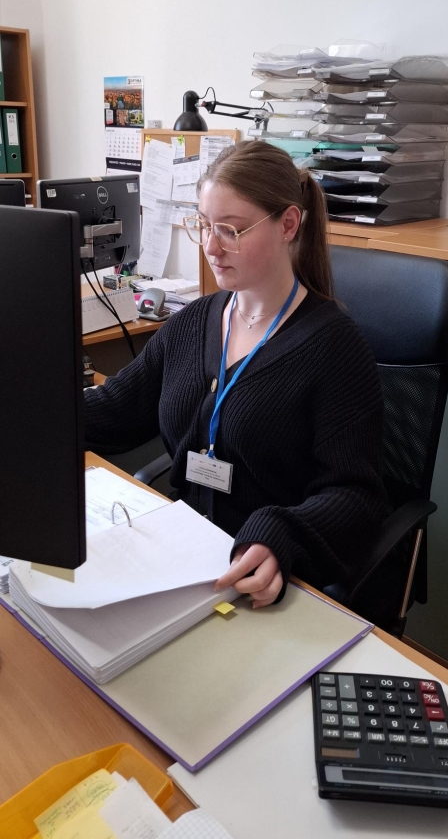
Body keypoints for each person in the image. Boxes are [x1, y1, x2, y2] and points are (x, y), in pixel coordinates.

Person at [85, 140, 389, 610]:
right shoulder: (194, 321)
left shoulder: (335, 348)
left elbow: (356, 496)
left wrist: (281, 534)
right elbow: (117, 409)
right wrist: (28, 407)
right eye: (204, 224)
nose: (211, 246)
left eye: (230, 229)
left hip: (265, 582)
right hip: (183, 559)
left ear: (288, 224)